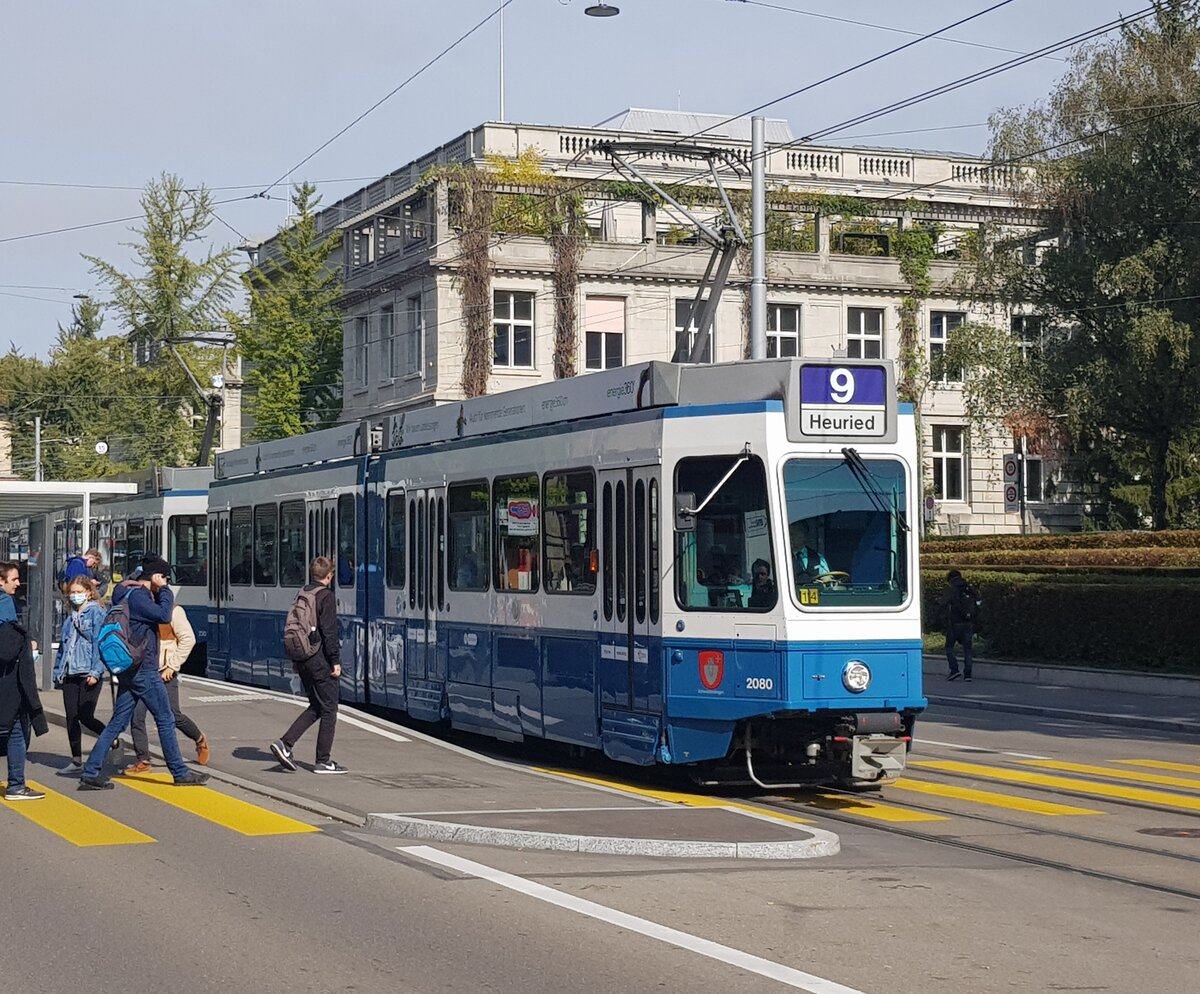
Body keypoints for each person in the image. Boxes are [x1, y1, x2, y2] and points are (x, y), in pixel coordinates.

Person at [77, 556, 209, 790]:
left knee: (118, 721)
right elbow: (163, 615)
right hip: (143, 668)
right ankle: (179, 772)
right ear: (156, 576)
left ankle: (91, 770)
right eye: (164, 577)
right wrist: (166, 589)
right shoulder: (139, 596)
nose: (166, 581)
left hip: (129, 667)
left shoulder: (123, 592)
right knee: (166, 718)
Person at [270, 556, 346, 775]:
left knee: (316, 706)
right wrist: (336, 661)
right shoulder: (326, 597)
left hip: (303, 657)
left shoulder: (303, 593)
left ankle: (285, 744)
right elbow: (330, 633)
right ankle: (323, 760)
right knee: (330, 709)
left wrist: (296, 660)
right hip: (319, 659)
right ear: (329, 576)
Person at [124, 601, 209, 775]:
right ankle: (143, 760)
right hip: (144, 671)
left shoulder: (173, 611)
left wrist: (172, 666)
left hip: (165, 672)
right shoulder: (139, 608)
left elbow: (188, 639)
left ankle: (199, 738)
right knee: (136, 715)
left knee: (173, 714)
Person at [52, 578, 111, 771]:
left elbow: (98, 644)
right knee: (71, 716)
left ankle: (111, 738)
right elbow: (63, 648)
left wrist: (96, 671)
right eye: (71, 592)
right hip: (70, 672)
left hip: (87, 671)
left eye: (78, 591)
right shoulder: (70, 618)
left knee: (85, 715)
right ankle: (76, 759)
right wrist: (57, 673)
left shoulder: (96, 613)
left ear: (88, 592)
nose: (74, 596)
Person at [1, 618, 49, 801]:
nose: (18, 586)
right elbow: (8, 652)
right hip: (11, 690)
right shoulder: (10, 628)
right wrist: (25, 640)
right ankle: (16, 786)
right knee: (17, 733)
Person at [938, 569, 979, 682]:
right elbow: (978, 601)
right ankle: (968, 674)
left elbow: (942, 603)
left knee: (949, 647)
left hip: (955, 623)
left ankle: (954, 670)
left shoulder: (951, 589)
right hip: (969, 622)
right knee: (968, 649)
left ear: (950, 579)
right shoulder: (969, 587)